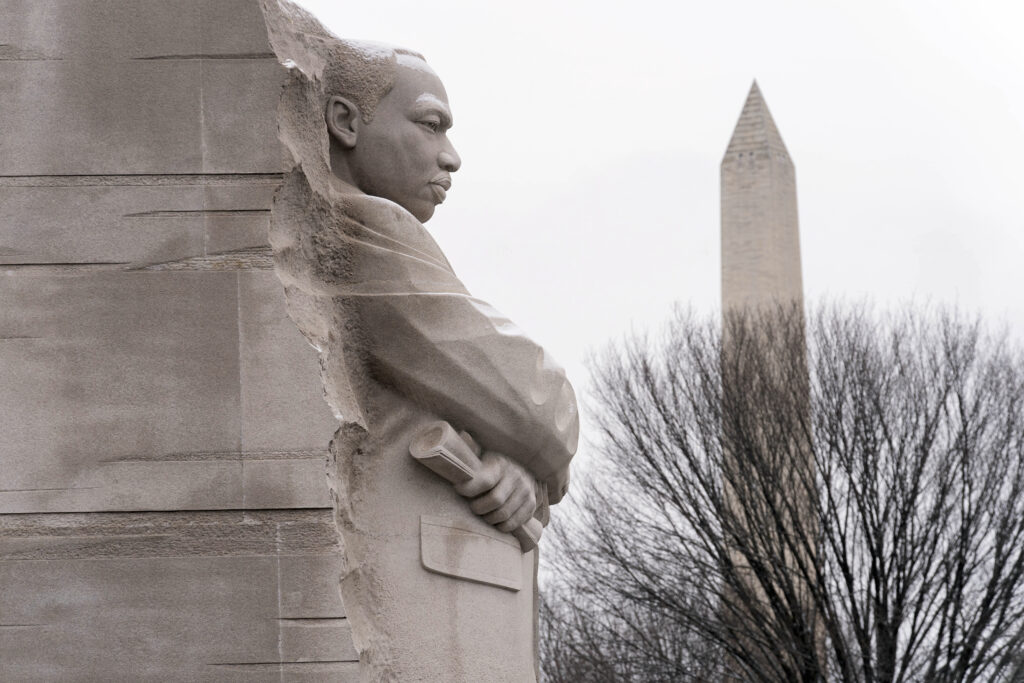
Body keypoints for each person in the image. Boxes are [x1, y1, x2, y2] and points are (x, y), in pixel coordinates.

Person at [262, 3, 577, 679]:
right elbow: (536, 405)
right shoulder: (365, 231)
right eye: (430, 124)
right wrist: (532, 445)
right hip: (419, 600)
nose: (451, 156)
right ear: (345, 122)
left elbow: (495, 408)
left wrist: (520, 466)